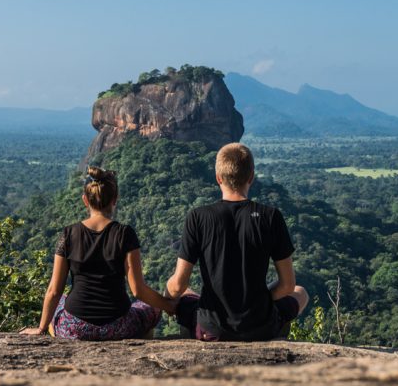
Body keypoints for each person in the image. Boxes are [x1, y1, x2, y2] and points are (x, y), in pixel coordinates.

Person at [165, 142, 309, 341]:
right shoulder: (271, 216)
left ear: (218, 178)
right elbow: (287, 285)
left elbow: (178, 286)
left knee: (182, 292)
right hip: (261, 325)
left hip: (212, 329)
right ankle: (277, 331)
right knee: (301, 292)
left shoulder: (198, 217)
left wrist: (167, 289)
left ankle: (192, 333)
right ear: (251, 177)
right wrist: (257, 300)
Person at [21, 166, 176, 340]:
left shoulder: (68, 234)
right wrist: (169, 306)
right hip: (118, 326)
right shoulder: (125, 234)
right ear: (114, 200)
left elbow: (54, 291)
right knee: (151, 309)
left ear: (85, 200)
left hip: (75, 328)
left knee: (61, 300)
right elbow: (138, 290)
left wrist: (41, 328)